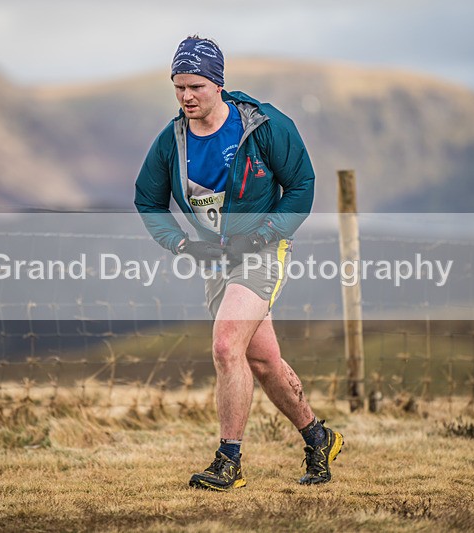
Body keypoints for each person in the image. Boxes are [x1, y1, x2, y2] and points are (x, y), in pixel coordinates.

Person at [134, 35, 344, 491]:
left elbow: (302, 185)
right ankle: (318, 437)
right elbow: (147, 200)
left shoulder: (264, 125)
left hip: (265, 249)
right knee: (264, 362)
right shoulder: (173, 141)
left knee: (227, 344)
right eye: (178, 88)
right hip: (216, 259)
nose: (186, 97)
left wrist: (268, 233)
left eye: (196, 86)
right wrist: (184, 246)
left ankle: (228, 461)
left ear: (218, 84)